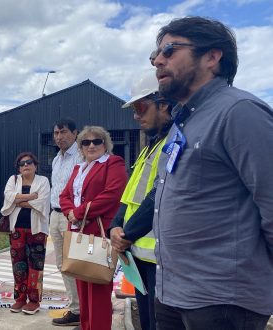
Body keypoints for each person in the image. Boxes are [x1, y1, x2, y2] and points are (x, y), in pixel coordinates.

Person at [151, 16, 273, 329]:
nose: (158, 60)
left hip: (222, 299)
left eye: (169, 50)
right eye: (155, 55)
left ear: (212, 57)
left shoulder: (239, 112)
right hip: (174, 291)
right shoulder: (185, 120)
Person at [109, 71, 175, 330]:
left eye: (141, 107)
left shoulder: (174, 142)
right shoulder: (150, 146)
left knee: (158, 322)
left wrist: (126, 232)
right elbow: (130, 196)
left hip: (158, 257)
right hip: (138, 252)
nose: (136, 116)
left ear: (164, 104)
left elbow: (159, 193)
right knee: (146, 322)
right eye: (134, 109)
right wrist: (115, 225)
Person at [59, 126, 127, 330]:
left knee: (98, 289)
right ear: (80, 147)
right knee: (83, 287)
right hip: (79, 232)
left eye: (96, 141)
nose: (91, 145)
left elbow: (112, 194)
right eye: (85, 142)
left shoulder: (113, 163)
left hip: (98, 233)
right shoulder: (79, 168)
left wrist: (78, 213)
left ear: (105, 144)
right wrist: (71, 212)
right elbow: (64, 196)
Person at [0, 152, 50, 315]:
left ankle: (34, 301)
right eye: (22, 164)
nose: (25, 166)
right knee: (18, 265)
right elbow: (8, 197)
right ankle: (20, 298)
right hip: (17, 230)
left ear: (35, 165)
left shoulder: (43, 181)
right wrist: (30, 197)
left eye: (29, 163)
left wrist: (18, 200)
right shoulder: (13, 180)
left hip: (37, 231)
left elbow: (42, 202)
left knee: (35, 265)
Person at [48, 119, 83, 327]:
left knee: (78, 264)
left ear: (75, 132)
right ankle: (76, 309)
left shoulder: (81, 156)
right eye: (55, 133)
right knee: (63, 265)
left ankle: (85, 309)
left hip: (73, 217)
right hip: (55, 215)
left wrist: (75, 213)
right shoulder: (56, 159)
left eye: (63, 132)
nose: (59, 137)